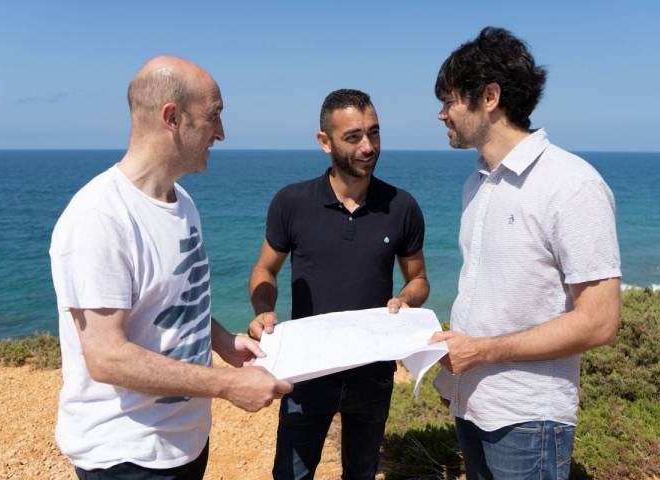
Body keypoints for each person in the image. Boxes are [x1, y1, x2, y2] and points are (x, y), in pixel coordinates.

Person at [49, 55, 292, 480]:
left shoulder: (181, 202)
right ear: (172, 117)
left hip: (184, 444)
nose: (221, 133)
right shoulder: (99, 217)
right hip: (127, 457)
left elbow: (177, 300)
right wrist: (226, 385)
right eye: (214, 116)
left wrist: (223, 341)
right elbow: (107, 358)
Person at [429, 27, 621, 479]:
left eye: (450, 100)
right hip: (473, 404)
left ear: (489, 97)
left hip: (529, 418)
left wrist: (481, 352)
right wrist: (456, 375)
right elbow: (496, 295)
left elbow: (600, 320)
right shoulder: (476, 183)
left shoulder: (571, 185)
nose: (441, 115)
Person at [247, 89, 430, 480]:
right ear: (324, 142)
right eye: (353, 137)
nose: (368, 147)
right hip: (306, 372)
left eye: (374, 133)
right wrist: (264, 309)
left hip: (373, 374)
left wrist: (405, 299)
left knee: (362, 474)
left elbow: (419, 280)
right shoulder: (291, 202)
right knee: (291, 475)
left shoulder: (402, 207)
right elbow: (264, 270)